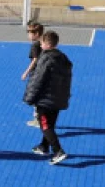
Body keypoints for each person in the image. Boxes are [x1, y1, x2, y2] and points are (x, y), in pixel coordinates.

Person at [24, 29, 72, 165]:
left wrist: (30, 97)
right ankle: (44, 146)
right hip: (59, 98)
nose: (40, 45)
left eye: (42, 43)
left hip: (46, 99)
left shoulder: (45, 58)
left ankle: (58, 151)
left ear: (47, 44)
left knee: (45, 125)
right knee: (50, 124)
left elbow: (38, 79)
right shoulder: (63, 58)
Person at [20, 22, 45, 127]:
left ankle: (38, 119)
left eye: (29, 33)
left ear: (36, 33)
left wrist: (26, 72)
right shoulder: (43, 42)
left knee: (35, 96)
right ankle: (40, 118)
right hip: (43, 72)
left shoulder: (35, 45)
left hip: (36, 74)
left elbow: (34, 60)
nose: (28, 35)